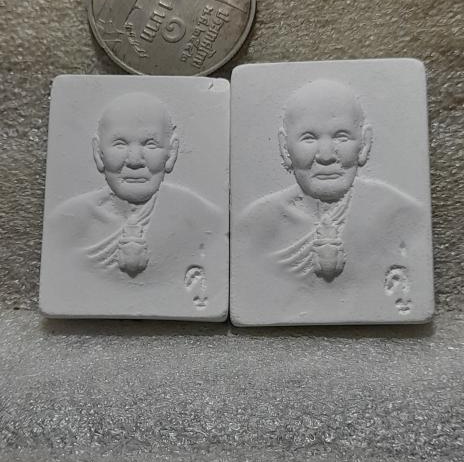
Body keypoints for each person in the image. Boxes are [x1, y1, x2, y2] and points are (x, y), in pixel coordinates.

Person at [232, 79, 429, 323]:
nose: (325, 156)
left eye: (341, 137)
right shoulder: (256, 225)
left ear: (364, 143)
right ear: (285, 147)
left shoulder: (400, 217)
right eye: (309, 138)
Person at [44, 92, 224, 315]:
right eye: (120, 144)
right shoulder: (66, 224)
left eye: (150, 144)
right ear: (98, 153)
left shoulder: (203, 220)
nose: (134, 160)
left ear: (172, 153)